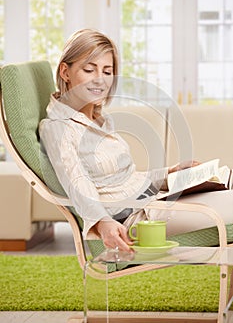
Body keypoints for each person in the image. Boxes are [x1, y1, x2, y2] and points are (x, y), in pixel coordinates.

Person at [39, 28, 233, 252]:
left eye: (107, 71)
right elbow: (77, 182)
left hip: (156, 199)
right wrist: (103, 223)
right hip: (138, 218)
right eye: (89, 70)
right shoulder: (57, 128)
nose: (100, 80)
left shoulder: (97, 118)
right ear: (65, 71)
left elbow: (127, 179)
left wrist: (172, 171)